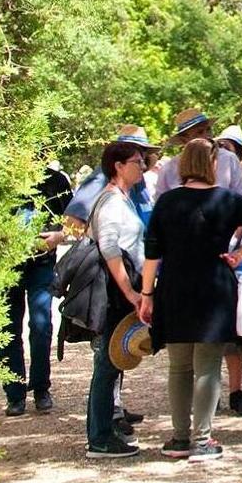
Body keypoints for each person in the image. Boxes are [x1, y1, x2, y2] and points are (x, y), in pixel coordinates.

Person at [138, 140, 242, 461]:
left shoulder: (166, 202)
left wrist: (146, 294)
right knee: (207, 366)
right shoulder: (228, 200)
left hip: (174, 287)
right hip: (215, 287)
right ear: (211, 163)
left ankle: (180, 438)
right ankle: (203, 439)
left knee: (178, 367)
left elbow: (152, 251)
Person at [84, 139, 147, 459]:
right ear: (118, 166)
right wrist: (131, 292)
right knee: (107, 363)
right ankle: (99, 437)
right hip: (112, 292)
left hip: (119, 290)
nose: (143, 166)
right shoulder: (110, 201)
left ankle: (103, 431)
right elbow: (109, 249)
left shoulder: (121, 198)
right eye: (137, 161)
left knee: (110, 364)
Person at [3, 162, 71, 416]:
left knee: (41, 326)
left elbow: (76, 220)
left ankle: (41, 388)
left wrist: (58, 237)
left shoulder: (56, 180)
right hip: (5, 264)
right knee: (8, 328)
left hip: (41, 263)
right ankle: (14, 393)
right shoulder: (0, 177)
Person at [152, 107, 242, 198]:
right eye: (200, 132)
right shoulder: (169, 169)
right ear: (184, 139)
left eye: (208, 129)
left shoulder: (228, 159)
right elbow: (161, 206)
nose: (207, 135)